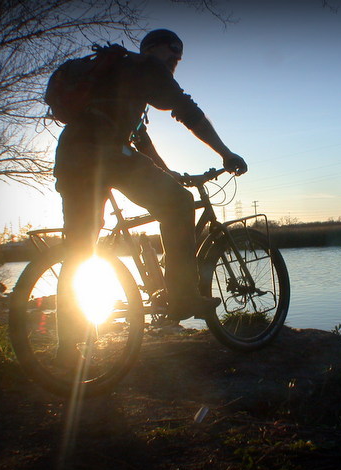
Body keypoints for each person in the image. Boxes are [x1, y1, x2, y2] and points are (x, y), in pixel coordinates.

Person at [53, 29, 247, 367]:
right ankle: (182, 296)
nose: (175, 61)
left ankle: (66, 348)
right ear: (155, 49)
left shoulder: (117, 75)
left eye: (179, 57)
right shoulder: (146, 67)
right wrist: (227, 153)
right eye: (173, 53)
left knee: (79, 249)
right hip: (108, 154)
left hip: (71, 156)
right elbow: (187, 110)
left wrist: (169, 176)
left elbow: (140, 141)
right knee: (180, 204)